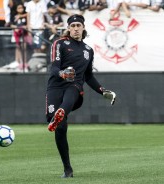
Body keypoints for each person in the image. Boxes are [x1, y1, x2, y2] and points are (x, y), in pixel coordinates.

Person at [45, 14, 116, 178]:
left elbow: (89, 76)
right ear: (68, 28)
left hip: (74, 87)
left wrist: (102, 90)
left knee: (73, 90)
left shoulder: (88, 50)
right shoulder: (59, 44)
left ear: (83, 28)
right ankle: (67, 169)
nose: (76, 28)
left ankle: (61, 112)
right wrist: (62, 73)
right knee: (60, 127)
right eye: (73, 25)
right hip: (55, 86)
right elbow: (54, 68)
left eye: (79, 25)